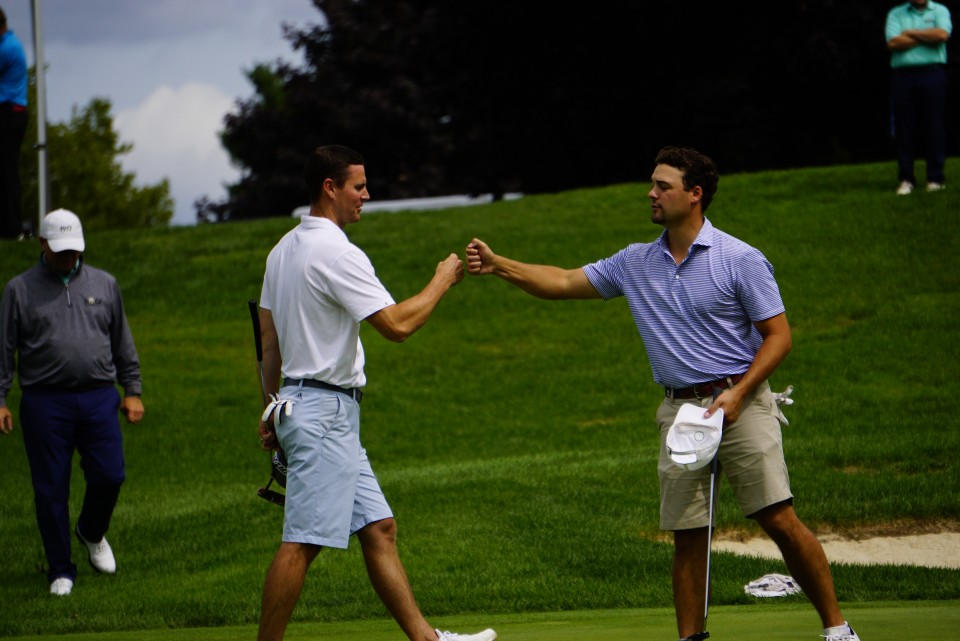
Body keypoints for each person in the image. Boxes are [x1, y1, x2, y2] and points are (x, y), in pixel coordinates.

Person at [465, 147, 861, 641]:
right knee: (688, 535)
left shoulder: (740, 259)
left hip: (740, 401)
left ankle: (837, 629)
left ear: (694, 195)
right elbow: (564, 281)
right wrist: (498, 265)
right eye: (652, 184)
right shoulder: (635, 261)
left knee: (777, 517)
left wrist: (739, 394)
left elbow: (779, 336)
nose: (651, 193)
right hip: (680, 411)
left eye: (663, 186)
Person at [255, 145, 496, 641]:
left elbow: (267, 342)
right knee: (301, 542)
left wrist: (272, 408)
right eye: (358, 186)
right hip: (324, 414)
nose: (366, 195)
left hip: (311, 410)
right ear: (330, 188)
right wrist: (442, 280)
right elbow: (397, 326)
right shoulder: (337, 252)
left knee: (379, 528)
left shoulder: (282, 250)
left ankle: (426, 640)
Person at [0, 208, 145, 596]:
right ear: (43, 244)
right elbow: (4, 349)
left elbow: (122, 341)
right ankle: (60, 569)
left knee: (110, 475)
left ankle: (91, 531)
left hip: (98, 396)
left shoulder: (104, 284)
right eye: (61, 250)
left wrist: (132, 390)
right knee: (51, 489)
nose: (69, 257)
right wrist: (1, 398)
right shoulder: (19, 290)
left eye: (74, 250)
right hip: (44, 401)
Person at [885, 0, 952, 195]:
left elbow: (942, 35)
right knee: (904, 128)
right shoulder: (896, 13)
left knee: (934, 126)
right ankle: (906, 179)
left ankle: (935, 178)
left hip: (932, 74)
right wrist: (927, 36)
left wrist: (911, 33)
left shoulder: (940, 10)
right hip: (903, 76)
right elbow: (893, 43)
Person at [0, 6, 29, 239]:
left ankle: (11, 227)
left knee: (7, 171)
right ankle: (9, 225)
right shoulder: (9, 43)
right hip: (10, 112)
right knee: (5, 170)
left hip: (10, 113)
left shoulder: (7, 48)